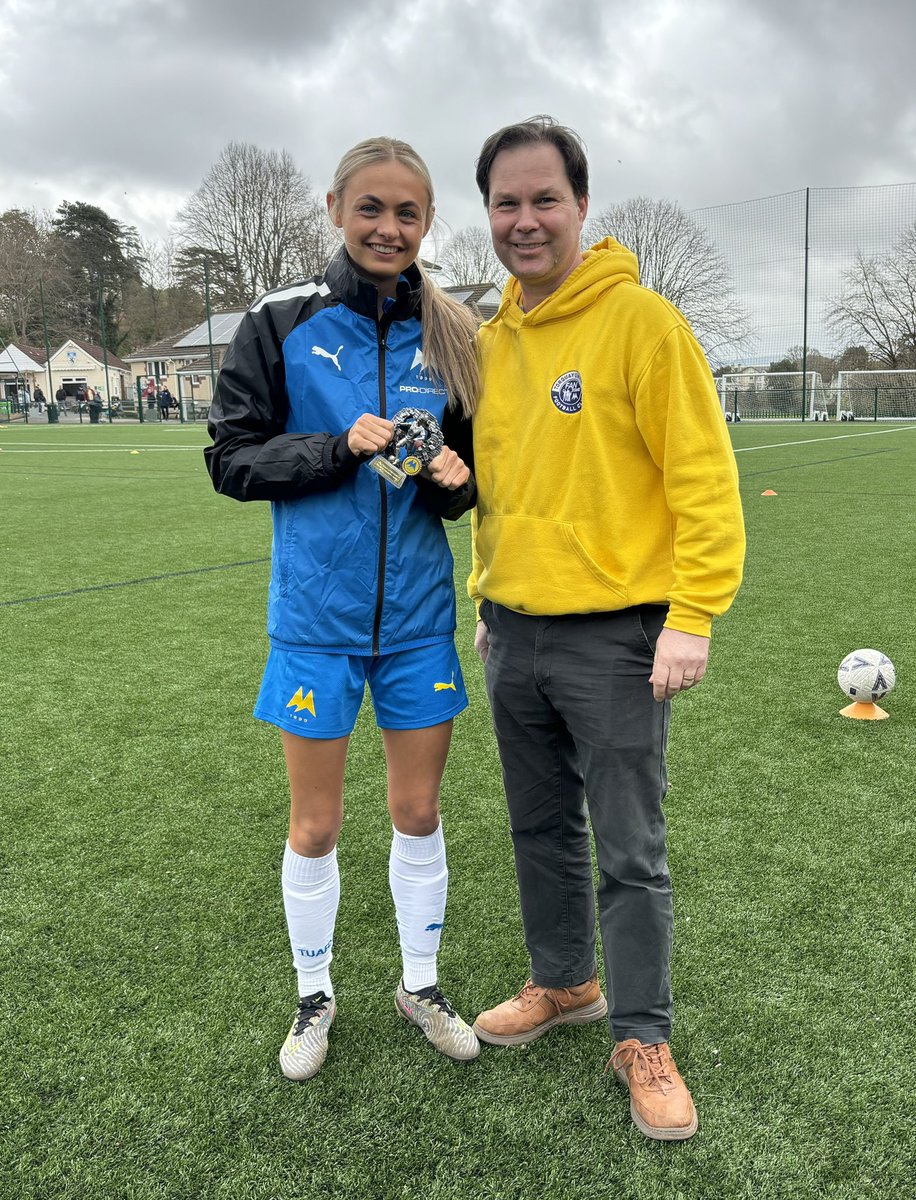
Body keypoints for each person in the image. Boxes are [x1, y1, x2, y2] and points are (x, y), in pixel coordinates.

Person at [467, 116, 745, 1141]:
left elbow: (705, 484)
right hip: (516, 632)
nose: (525, 220)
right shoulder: (491, 340)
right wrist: (488, 595)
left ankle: (643, 1036)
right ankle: (563, 983)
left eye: (544, 199)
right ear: (488, 214)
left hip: (620, 641)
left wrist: (692, 617)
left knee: (630, 851)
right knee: (538, 829)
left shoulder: (642, 324)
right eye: (506, 202)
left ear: (581, 207)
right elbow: (503, 488)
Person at [205, 136, 483, 1081]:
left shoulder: (453, 335)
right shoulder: (280, 323)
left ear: (427, 223)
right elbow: (231, 460)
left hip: (417, 622)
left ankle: (421, 983)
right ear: (333, 209)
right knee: (315, 827)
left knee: (418, 811)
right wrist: (334, 447)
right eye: (371, 208)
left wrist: (453, 479)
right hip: (315, 620)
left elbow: (467, 485)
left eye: (407, 213)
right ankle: (314, 996)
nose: (388, 227)